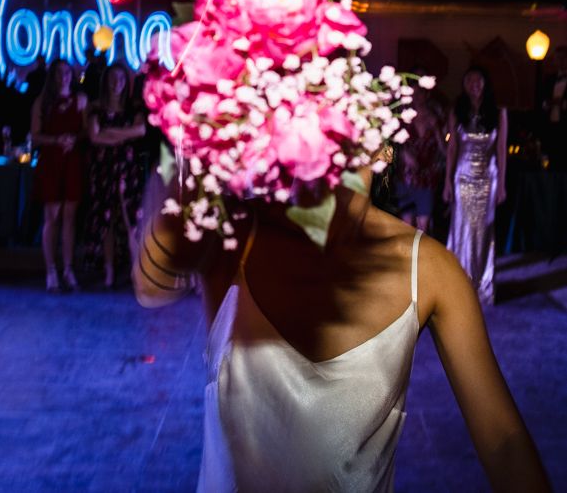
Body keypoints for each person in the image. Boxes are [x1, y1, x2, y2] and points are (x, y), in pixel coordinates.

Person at [133, 152, 549, 492]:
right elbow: (151, 285)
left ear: (385, 146)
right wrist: (193, 145)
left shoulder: (432, 271)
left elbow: (504, 441)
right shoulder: (241, 235)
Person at [443, 66, 507, 306]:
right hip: (462, 178)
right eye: (469, 80)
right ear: (464, 85)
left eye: (478, 80)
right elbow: (451, 149)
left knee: (483, 233)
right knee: (461, 231)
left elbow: (501, 150)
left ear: (485, 84)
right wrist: (447, 182)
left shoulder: (499, 112)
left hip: (488, 180)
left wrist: (501, 185)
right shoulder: (456, 110)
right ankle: (459, 286)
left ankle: (483, 287)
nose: (474, 84)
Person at [81, 63, 147, 289]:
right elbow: (94, 137)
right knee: (106, 220)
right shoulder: (95, 108)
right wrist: (123, 135)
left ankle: (136, 270)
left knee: (131, 220)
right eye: (112, 78)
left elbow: (140, 131)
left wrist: (109, 133)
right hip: (103, 168)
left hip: (127, 168)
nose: (116, 82)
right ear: (106, 81)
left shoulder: (134, 108)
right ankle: (109, 272)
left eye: (120, 78)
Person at [31, 59, 87, 293]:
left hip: (72, 160)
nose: (64, 76)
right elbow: (34, 136)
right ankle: (51, 269)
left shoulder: (81, 100)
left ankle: (68, 268)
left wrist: (74, 139)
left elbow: (86, 131)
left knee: (69, 217)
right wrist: (56, 140)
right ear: (53, 76)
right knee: (51, 216)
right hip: (51, 161)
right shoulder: (42, 102)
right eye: (59, 73)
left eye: (67, 72)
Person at [395, 77, 446, 233]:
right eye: (414, 93)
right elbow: (389, 148)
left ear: (426, 95)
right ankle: (407, 257)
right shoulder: (403, 118)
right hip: (405, 178)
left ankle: (420, 257)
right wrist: (403, 152)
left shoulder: (435, 119)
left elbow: (444, 150)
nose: (417, 97)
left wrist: (437, 131)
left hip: (427, 179)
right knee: (406, 227)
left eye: (420, 93)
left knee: (422, 229)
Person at [540, 44, 567, 171]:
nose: (561, 61)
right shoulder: (550, 79)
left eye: (563, 58)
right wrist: (548, 104)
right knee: (552, 161)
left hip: (565, 125)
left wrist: (561, 103)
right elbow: (541, 102)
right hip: (551, 126)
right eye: (558, 58)